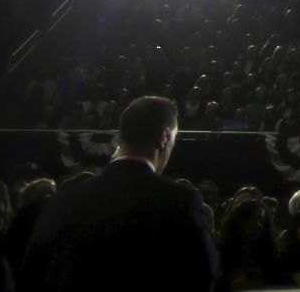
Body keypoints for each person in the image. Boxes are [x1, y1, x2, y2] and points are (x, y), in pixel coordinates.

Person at [17, 96, 218, 292]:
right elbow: (203, 275)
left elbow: (32, 272)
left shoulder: (65, 198)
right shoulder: (180, 202)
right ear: (164, 137)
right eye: (174, 139)